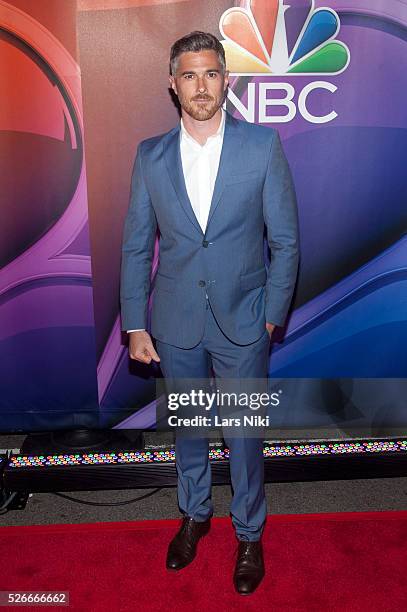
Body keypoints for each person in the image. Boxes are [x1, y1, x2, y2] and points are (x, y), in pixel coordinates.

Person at [120, 31, 299, 595]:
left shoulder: (262, 146)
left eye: (212, 74)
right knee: (189, 431)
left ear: (228, 80)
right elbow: (134, 244)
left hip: (245, 320)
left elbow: (286, 242)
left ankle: (249, 533)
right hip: (173, 323)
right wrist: (134, 323)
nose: (201, 86)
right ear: (172, 85)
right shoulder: (150, 155)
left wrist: (271, 316)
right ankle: (194, 515)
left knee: (244, 436)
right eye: (190, 76)